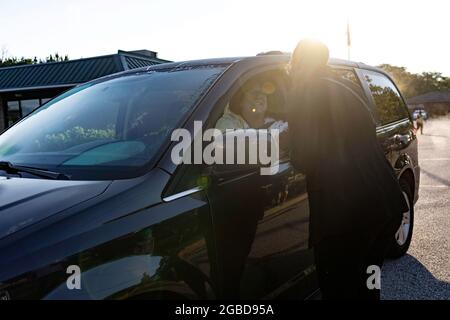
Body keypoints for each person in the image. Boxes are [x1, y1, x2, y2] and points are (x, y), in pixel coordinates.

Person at [287, 39, 409, 300]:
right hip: (385, 206)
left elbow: (304, 156)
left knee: (338, 289)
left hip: (347, 216)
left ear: (297, 63)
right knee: (369, 282)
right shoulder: (345, 87)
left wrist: (284, 142)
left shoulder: (304, 94)